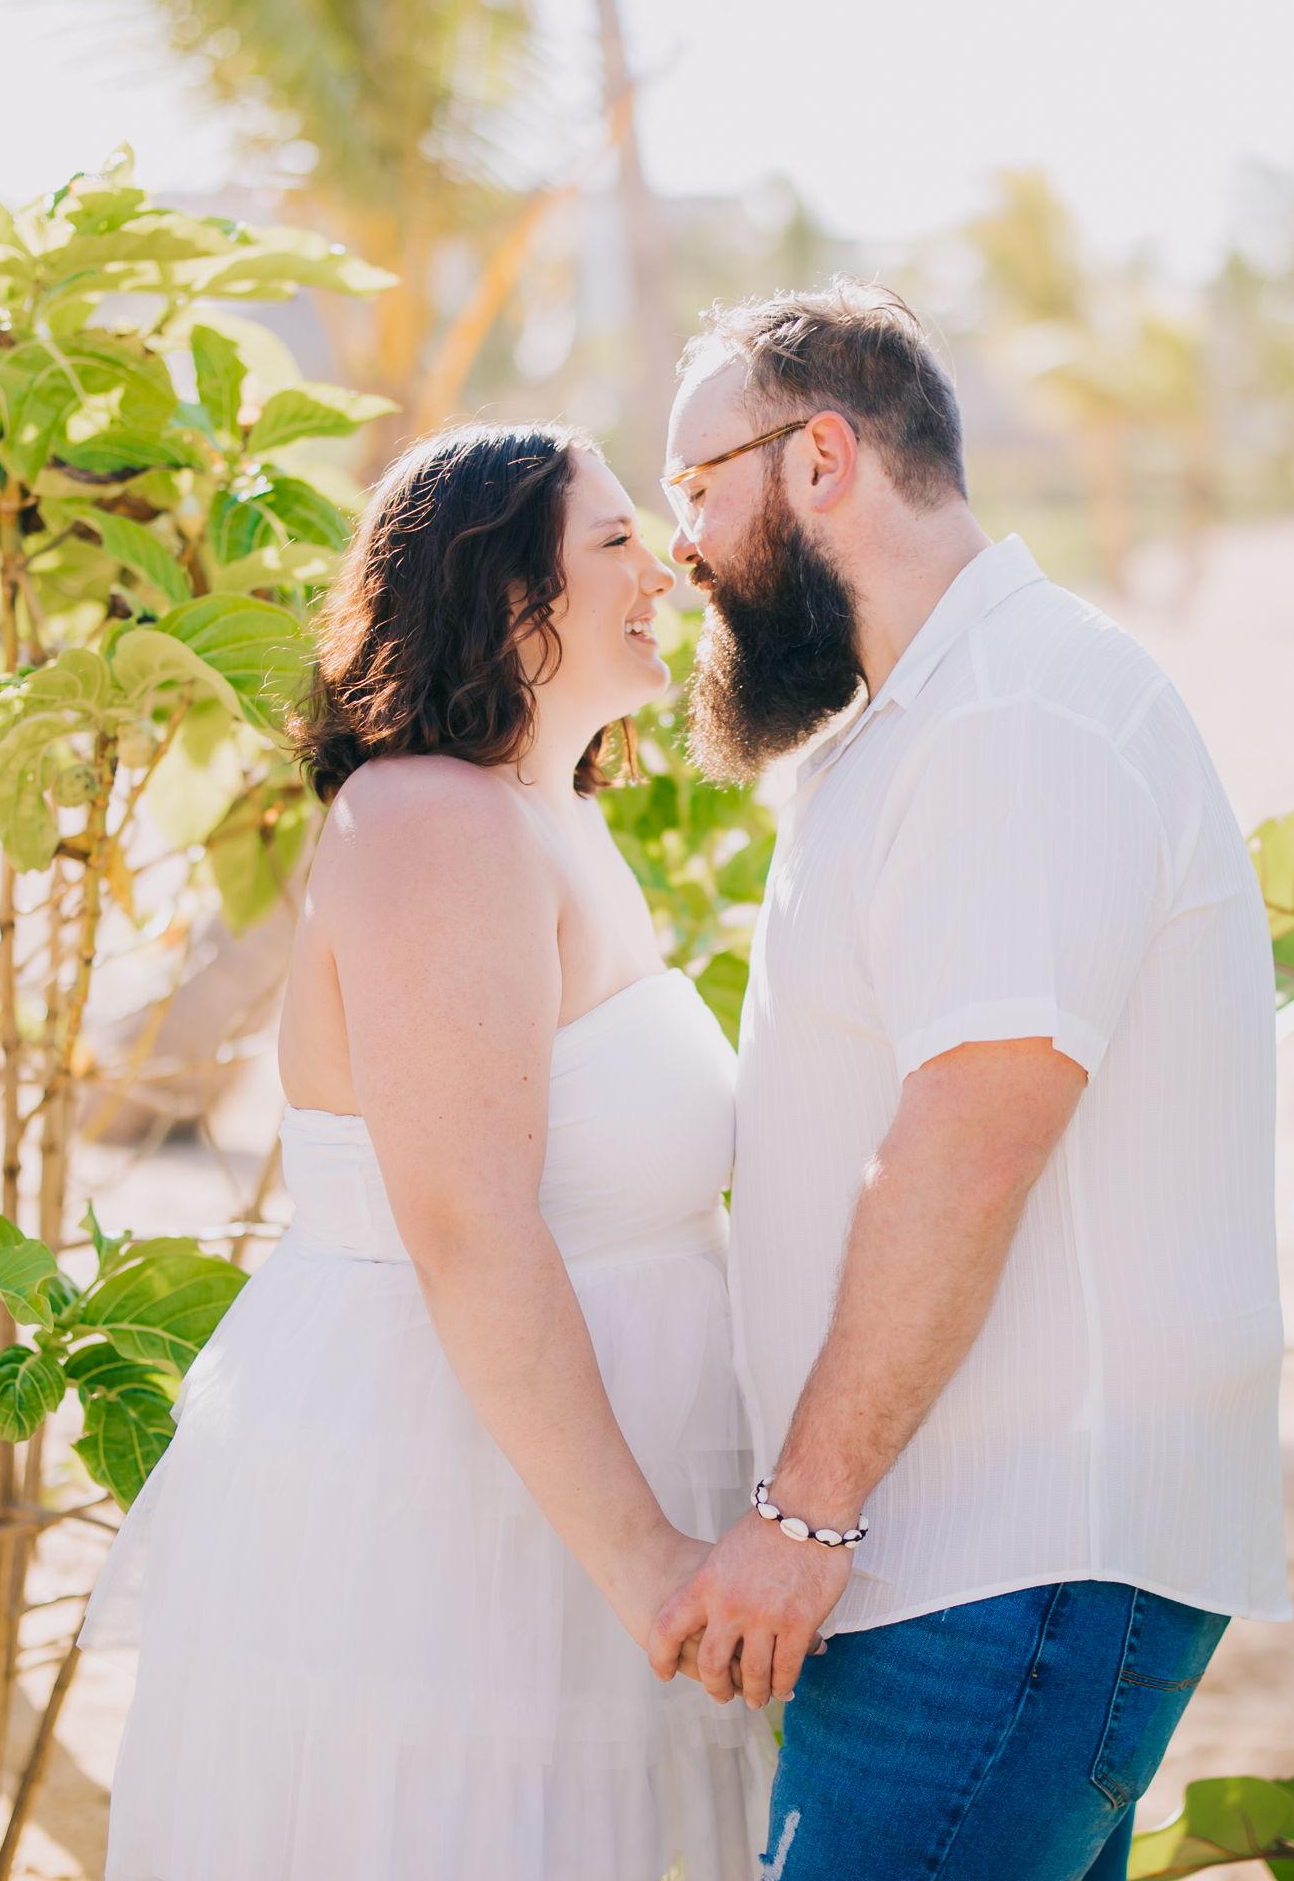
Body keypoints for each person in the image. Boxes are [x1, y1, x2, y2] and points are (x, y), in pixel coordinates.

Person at [647, 281, 1290, 1881]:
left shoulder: (1013, 717)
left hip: (1008, 1557)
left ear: (820, 458)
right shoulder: (932, 717)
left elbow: (968, 1143)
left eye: (695, 490)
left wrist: (802, 1521)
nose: (682, 546)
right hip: (952, 1551)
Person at [78, 423, 773, 1880]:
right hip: (458, 1506)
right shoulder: (432, 825)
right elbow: (469, 1226)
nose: (666, 568)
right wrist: (647, 1562)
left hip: (566, 1483)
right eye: (612, 543)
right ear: (503, 592)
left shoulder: (552, 816)